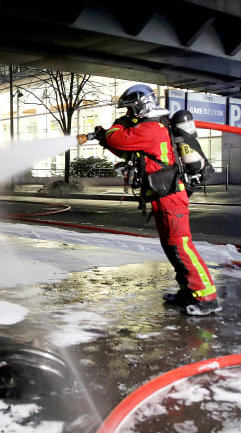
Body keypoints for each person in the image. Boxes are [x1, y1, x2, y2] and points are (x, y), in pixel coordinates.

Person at [92, 84, 221, 316]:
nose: (129, 115)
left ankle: (207, 297)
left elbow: (118, 139)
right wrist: (104, 139)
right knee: (172, 246)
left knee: (181, 246)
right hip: (163, 195)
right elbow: (127, 151)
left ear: (141, 106)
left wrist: (114, 128)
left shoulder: (151, 128)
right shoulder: (150, 129)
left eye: (131, 110)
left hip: (171, 196)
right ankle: (188, 291)